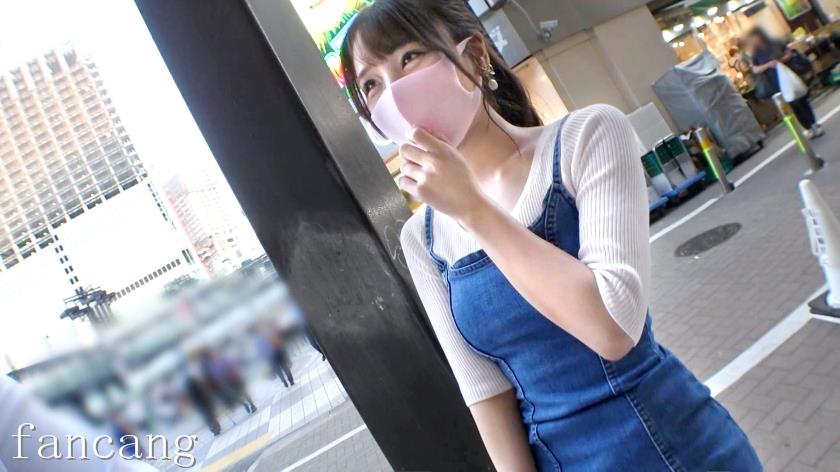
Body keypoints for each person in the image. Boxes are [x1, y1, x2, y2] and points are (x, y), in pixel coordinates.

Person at [340, 1, 761, 470]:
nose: (394, 93)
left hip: (675, 448)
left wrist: (473, 209)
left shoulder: (587, 136)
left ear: (475, 56)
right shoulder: (423, 237)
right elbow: (485, 392)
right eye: (371, 84)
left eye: (409, 57)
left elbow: (614, 330)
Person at [745, 26, 824, 138]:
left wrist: (780, 61)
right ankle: (808, 127)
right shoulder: (756, 53)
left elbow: (789, 53)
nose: (753, 40)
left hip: (789, 75)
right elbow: (755, 69)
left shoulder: (775, 43)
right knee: (793, 105)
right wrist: (768, 65)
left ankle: (813, 124)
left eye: (754, 37)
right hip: (775, 83)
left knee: (800, 100)